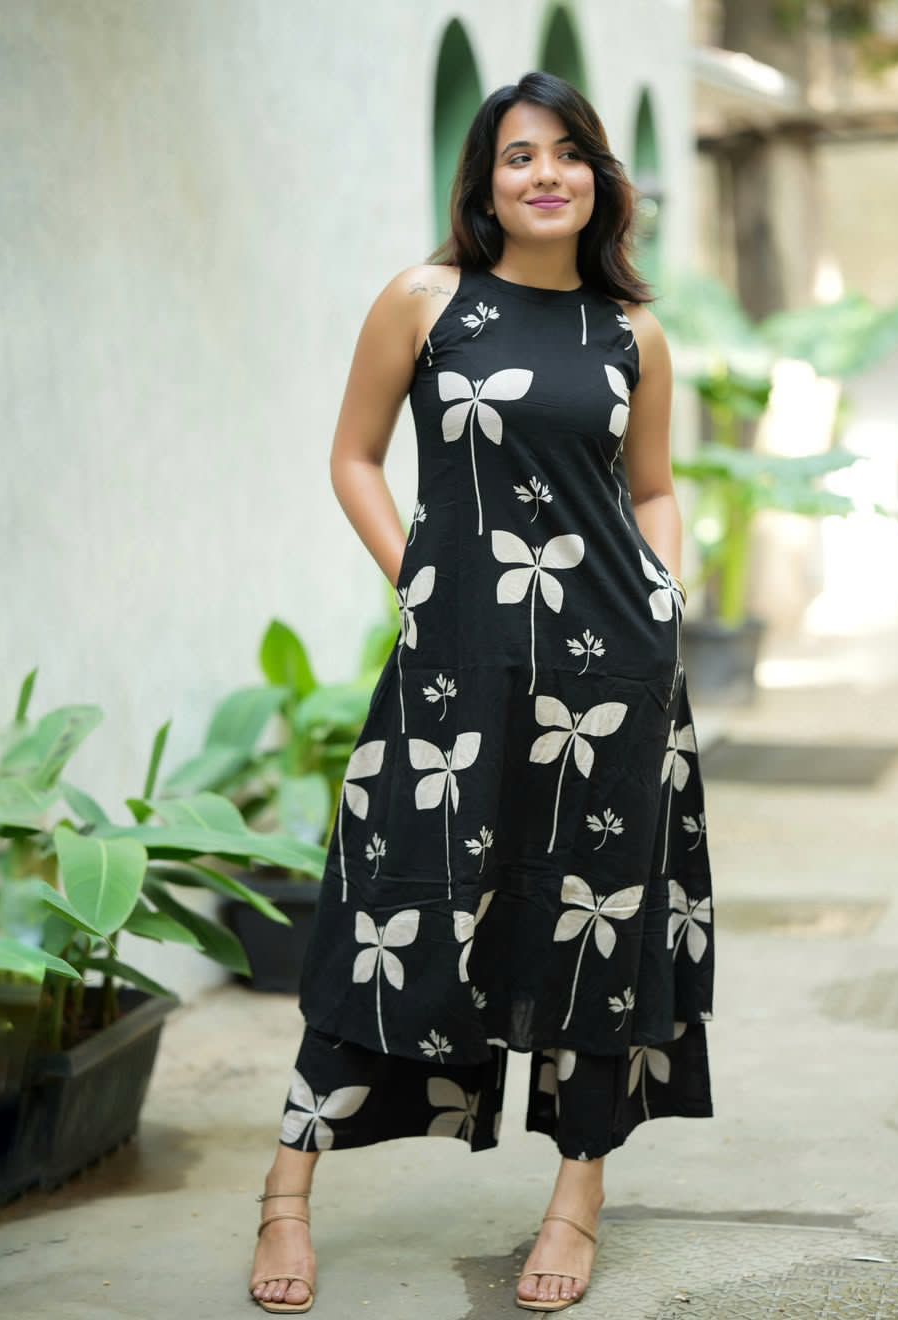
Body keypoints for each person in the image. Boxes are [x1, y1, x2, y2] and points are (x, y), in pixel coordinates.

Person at [248, 69, 715, 1315]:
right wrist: (418, 579)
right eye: (520, 155)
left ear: (600, 178)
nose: (545, 174)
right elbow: (354, 457)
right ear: (487, 183)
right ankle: (286, 1193)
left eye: (567, 153)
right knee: (392, 902)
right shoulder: (426, 301)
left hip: (611, 672)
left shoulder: (632, 334)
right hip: (453, 664)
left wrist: (665, 593)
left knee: (592, 925)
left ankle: (577, 1199)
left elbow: (653, 486)